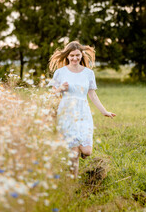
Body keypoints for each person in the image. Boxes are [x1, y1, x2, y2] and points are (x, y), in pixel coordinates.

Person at [48, 41, 116, 179]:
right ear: (67, 56)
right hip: (67, 112)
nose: (74, 58)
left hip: (83, 112)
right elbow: (52, 93)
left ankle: (78, 151)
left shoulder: (88, 73)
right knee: (74, 153)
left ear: (81, 55)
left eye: (77, 55)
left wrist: (104, 111)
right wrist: (61, 89)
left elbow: (92, 94)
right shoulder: (60, 72)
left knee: (87, 151)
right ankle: (72, 181)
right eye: (71, 55)